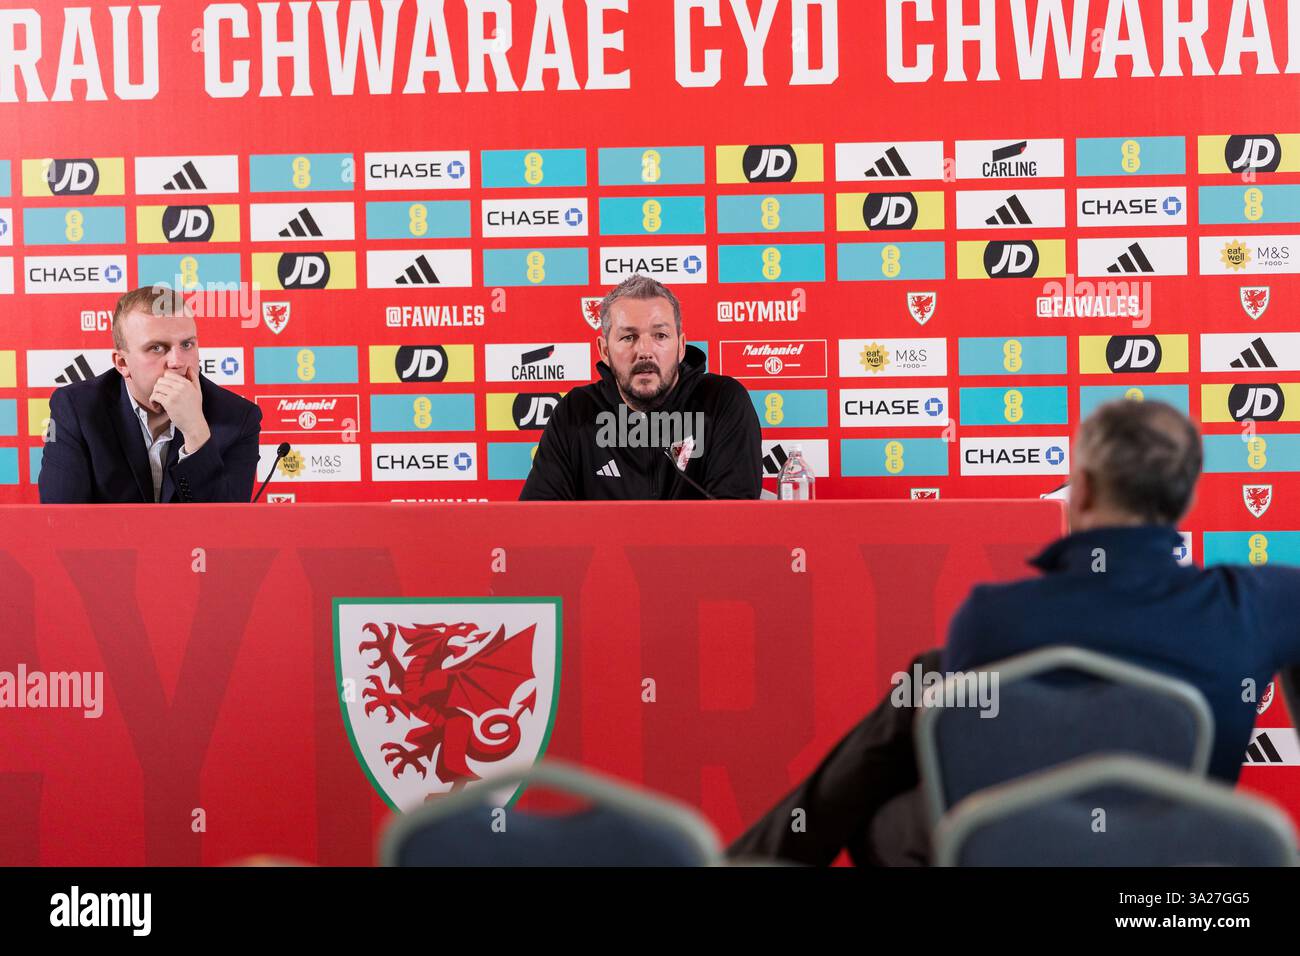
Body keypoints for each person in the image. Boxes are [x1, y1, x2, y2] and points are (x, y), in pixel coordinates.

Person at [728, 399, 1300, 865]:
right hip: (1173, 885)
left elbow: (957, 769)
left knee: (920, 707)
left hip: (1017, 853)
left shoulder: (991, 617)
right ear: (1186, 498)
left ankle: (759, 859)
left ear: (1084, 490)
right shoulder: (1263, 601)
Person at [520, 274, 762, 500]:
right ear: (605, 350)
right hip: (605, 548)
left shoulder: (721, 402)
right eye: (628, 337)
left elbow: (734, 525)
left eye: (660, 336)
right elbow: (539, 526)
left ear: (681, 346)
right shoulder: (575, 412)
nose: (645, 352)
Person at [38, 285, 262, 504]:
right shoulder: (76, 409)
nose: (177, 362)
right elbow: (60, 521)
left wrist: (196, 434)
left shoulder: (239, 417)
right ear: (123, 363)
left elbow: (226, 528)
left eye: (187, 344)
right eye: (157, 348)